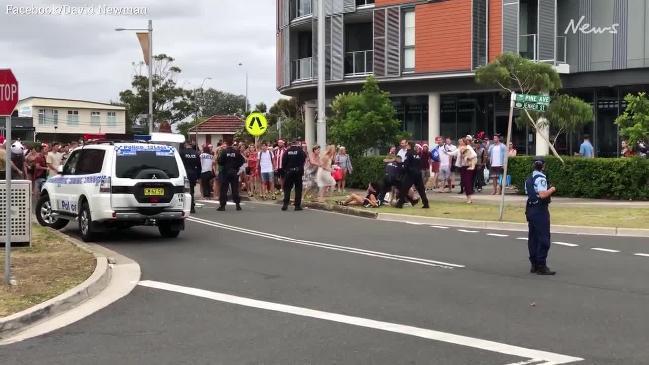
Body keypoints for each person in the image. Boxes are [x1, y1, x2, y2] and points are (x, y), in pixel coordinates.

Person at [525, 157, 557, 275]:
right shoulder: (541, 178)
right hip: (540, 209)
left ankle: (534, 264)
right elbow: (543, 194)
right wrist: (552, 189)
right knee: (544, 238)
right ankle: (541, 265)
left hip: (530, 209)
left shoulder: (529, 177)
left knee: (533, 238)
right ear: (543, 166)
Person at [396, 141, 430, 209]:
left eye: (407, 144)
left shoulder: (408, 153)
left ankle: (400, 204)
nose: (406, 145)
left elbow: (406, 164)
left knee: (404, 189)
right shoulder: (417, 153)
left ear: (409, 146)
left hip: (410, 174)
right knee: (421, 189)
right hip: (418, 173)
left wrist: (402, 170)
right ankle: (426, 203)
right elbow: (420, 163)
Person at [216, 141, 245, 211]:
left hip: (225, 172)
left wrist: (224, 165)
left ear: (226, 145)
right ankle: (238, 205)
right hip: (234, 172)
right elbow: (242, 161)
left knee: (224, 189)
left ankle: (222, 206)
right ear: (232, 145)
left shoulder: (224, 152)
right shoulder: (236, 152)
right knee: (235, 189)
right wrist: (236, 166)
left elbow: (219, 161)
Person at [281, 138, 307, 211]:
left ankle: (285, 205)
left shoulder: (287, 151)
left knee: (287, 188)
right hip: (298, 172)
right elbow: (304, 159)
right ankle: (297, 206)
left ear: (291, 144)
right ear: (297, 143)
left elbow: (283, 163)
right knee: (298, 189)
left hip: (289, 172)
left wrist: (286, 170)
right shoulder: (300, 151)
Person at [180, 142, 201, 213]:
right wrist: (198, 176)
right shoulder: (196, 153)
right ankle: (192, 207)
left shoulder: (182, 153)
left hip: (184, 174)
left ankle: (184, 206)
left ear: (186, 145)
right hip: (193, 174)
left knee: (183, 191)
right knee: (191, 191)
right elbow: (199, 166)